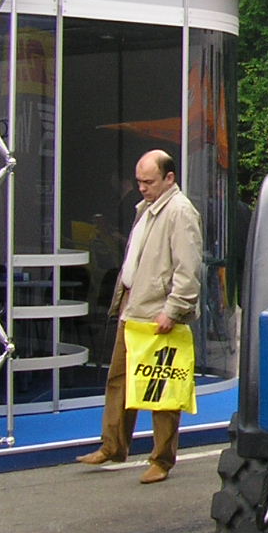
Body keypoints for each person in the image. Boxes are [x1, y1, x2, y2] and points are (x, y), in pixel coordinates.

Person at [76, 150, 203, 483]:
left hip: (158, 310)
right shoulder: (147, 209)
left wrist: (173, 310)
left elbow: (187, 269)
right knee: (119, 378)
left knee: (162, 388)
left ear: (169, 178)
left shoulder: (180, 212)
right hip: (135, 306)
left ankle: (161, 459)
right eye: (139, 181)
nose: (142, 187)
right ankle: (113, 446)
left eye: (149, 181)